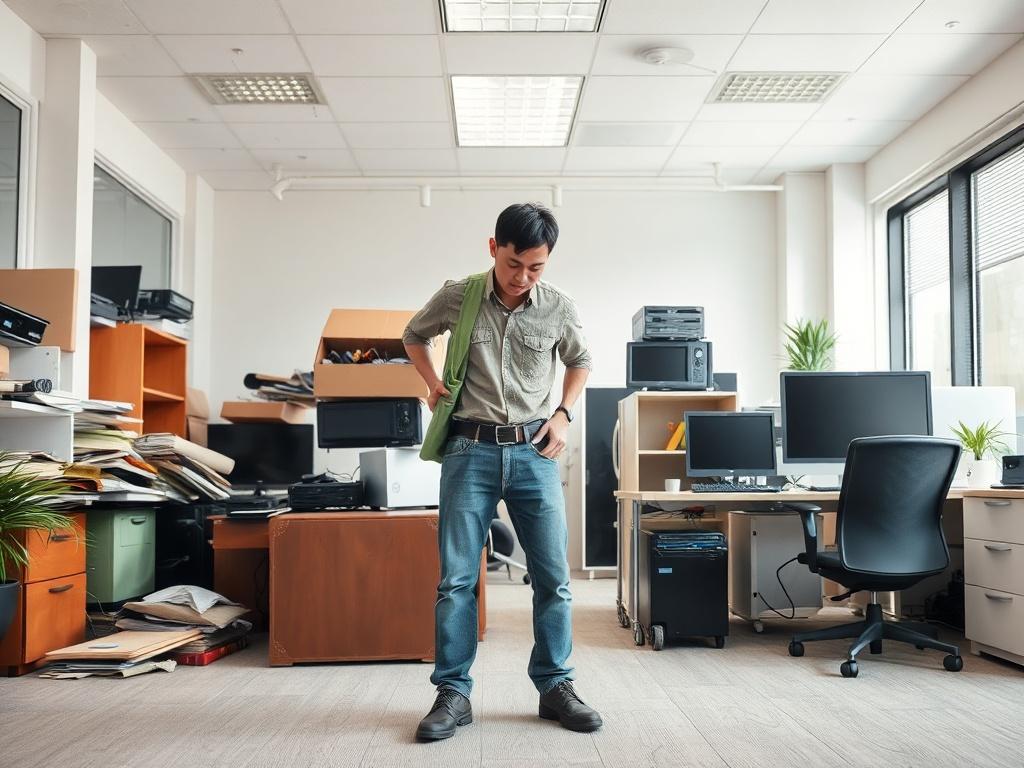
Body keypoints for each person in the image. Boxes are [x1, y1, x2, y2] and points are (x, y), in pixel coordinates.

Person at [403, 202, 601, 741]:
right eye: (514, 264)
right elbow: (413, 335)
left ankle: (556, 686)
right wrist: (431, 383)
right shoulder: (459, 295)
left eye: (536, 267)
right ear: (494, 249)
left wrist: (564, 414)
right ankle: (453, 693)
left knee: (554, 579)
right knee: (457, 580)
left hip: (535, 452)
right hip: (469, 450)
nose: (522, 278)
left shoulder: (557, 306)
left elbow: (581, 359)